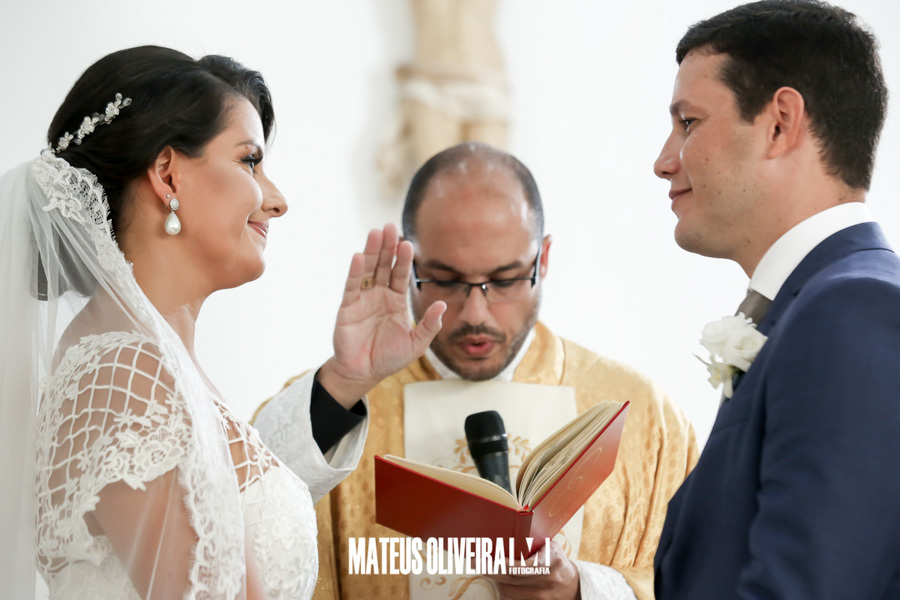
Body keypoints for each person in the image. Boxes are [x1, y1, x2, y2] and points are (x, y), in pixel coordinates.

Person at [0, 45, 446, 599]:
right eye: (249, 161)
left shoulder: (142, 365)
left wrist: (345, 379)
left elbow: (232, 510)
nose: (277, 200)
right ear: (168, 174)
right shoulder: (127, 374)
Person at [255, 142, 699, 600]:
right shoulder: (333, 406)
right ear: (409, 264)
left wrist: (579, 590)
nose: (474, 314)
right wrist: (343, 383)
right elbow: (242, 523)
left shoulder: (646, 417)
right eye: (445, 280)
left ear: (543, 259)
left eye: (505, 280)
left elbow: (708, 575)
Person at [652, 1, 900, 598]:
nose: (663, 162)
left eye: (688, 122)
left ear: (780, 124)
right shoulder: (810, 305)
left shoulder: (853, 310)